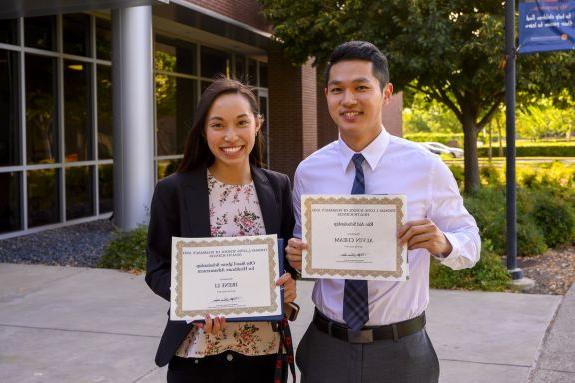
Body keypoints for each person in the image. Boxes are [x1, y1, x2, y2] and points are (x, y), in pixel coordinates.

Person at [286, 41, 481, 383]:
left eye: (361, 87)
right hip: (327, 347)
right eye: (338, 89)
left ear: (386, 93)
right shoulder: (309, 171)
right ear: (326, 95)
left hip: (402, 350)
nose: (349, 100)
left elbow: (471, 244)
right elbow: (306, 246)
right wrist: (298, 256)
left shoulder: (426, 167)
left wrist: (443, 242)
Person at [145, 77, 297, 383]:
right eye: (218, 125)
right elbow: (157, 269)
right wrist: (192, 301)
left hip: (263, 355)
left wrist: (290, 289)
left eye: (241, 122)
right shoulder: (173, 190)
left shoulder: (278, 186)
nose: (231, 136)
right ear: (203, 130)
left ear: (258, 124)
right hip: (197, 356)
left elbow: (288, 260)